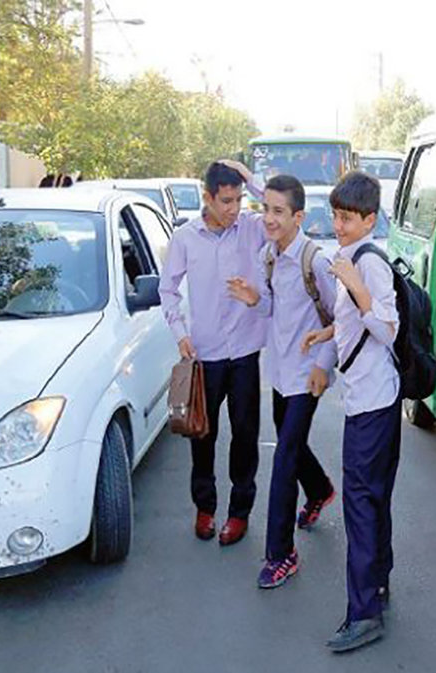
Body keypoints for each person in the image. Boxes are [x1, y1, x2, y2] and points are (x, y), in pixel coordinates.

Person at [226, 174, 337, 590]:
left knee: (284, 457)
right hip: (279, 370)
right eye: (265, 209)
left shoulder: (317, 261)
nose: (268, 219)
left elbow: (339, 320)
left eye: (277, 211)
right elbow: (271, 308)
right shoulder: (268, 256)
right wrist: (255, 299)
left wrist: (324, 365)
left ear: (298, 216)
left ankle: (281, 554)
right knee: (294, 444)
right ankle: (322, 489)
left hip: (308, 374)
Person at [158, 159, 267, 545]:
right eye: (225, 200)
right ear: (206, 197)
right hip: (204, 355)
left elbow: (280, 208)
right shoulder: (186, 237)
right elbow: (167, 289)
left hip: (245, 354)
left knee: (245, 435)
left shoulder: (253, 228)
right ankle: (205, 507)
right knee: (202, 436)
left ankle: (239, 513)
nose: (233, 208)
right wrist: (180, 332)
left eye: (238, 199)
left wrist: (251, 179)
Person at [315, 171, 401, 653]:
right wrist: (326, 335)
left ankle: (364, 612)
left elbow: (386, 326)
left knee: (361, 506)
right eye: (336, 216)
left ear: (370, 219)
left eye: (348, 218)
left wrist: (355, 285)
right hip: (373, 398)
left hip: (371, 404)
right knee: (374, 499)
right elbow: (355, 323)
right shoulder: (351, 257)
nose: (339, 225)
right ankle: (379, 586)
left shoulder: (368, 265)